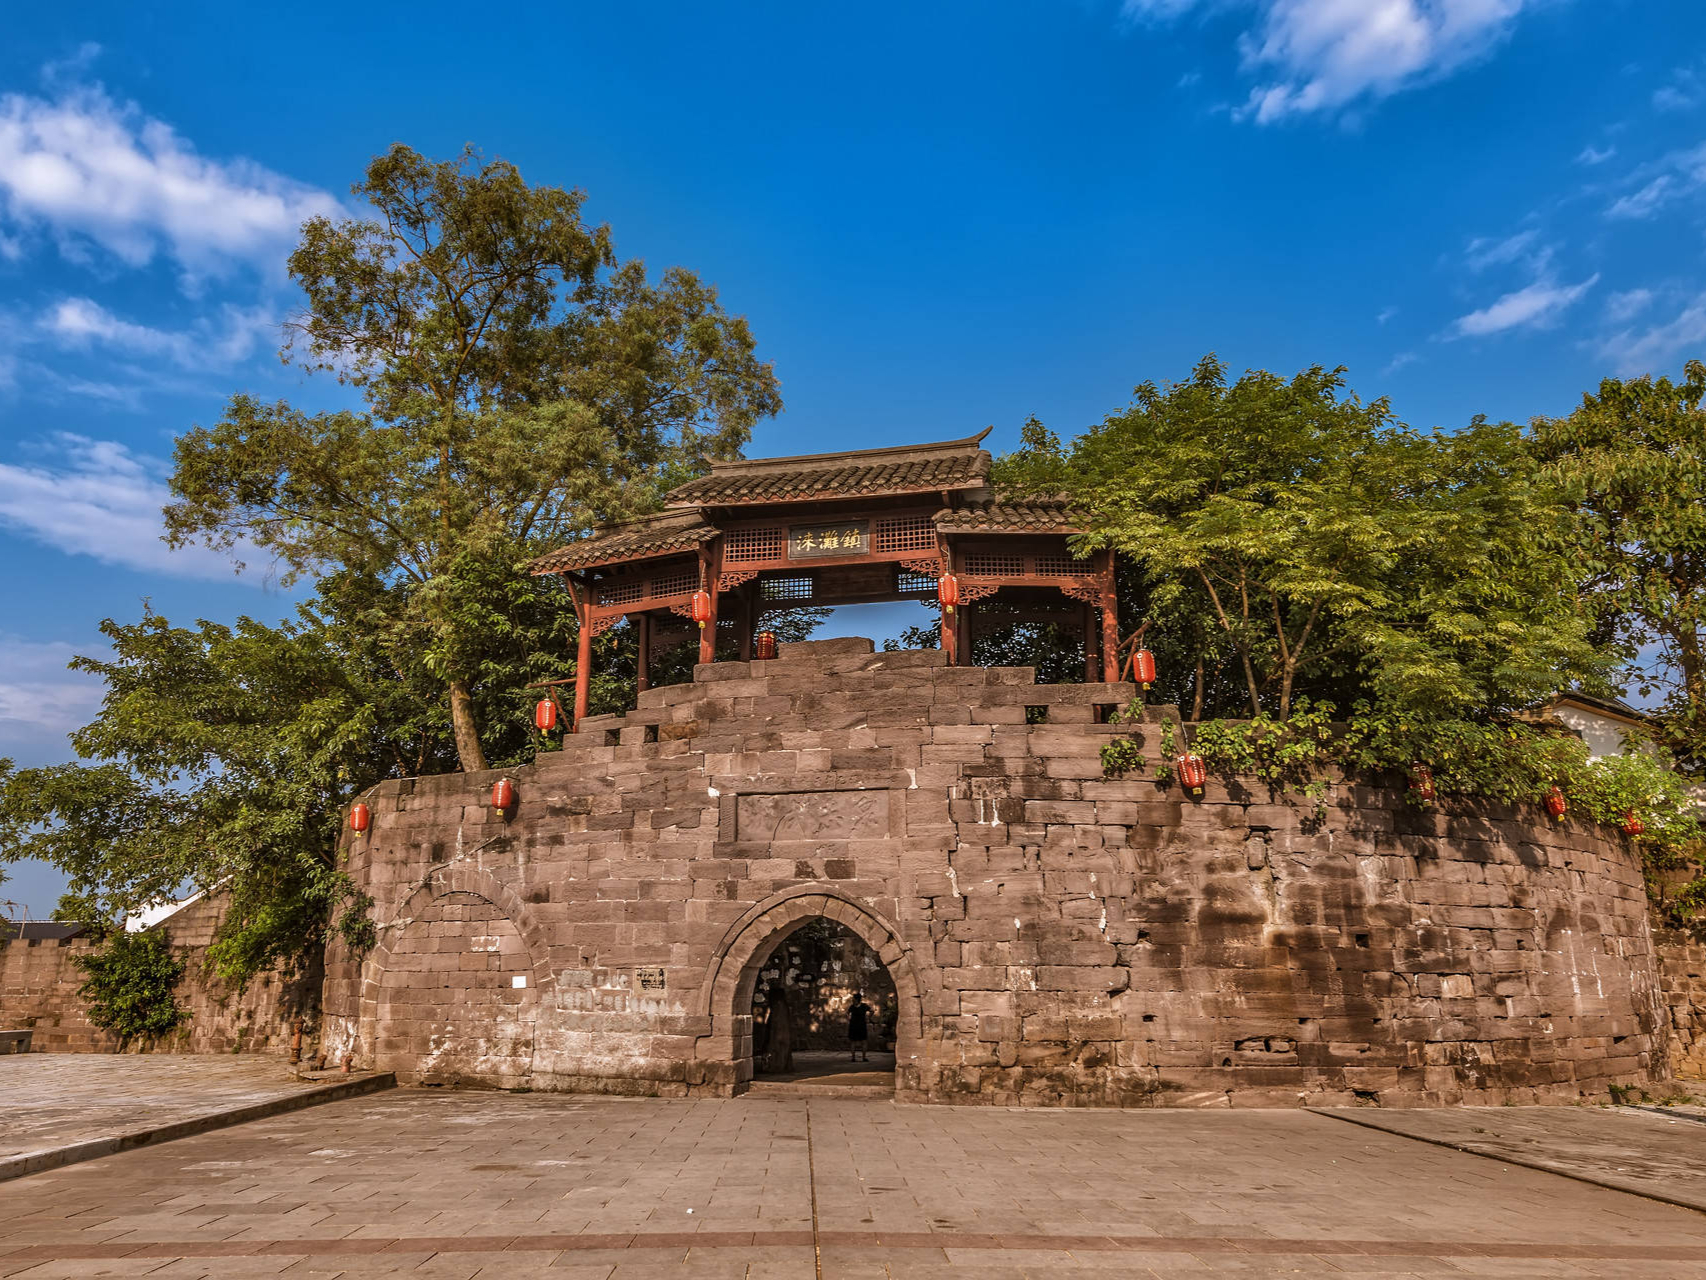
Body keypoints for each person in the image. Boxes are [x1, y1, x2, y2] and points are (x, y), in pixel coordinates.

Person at [847, 990, 871, 1062]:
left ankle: (863, 1057)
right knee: (853, 1042)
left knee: (863, 1041)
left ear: (857, 1000)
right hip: (855, 1025)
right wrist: (849, 1018)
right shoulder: (854, 1006)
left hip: (860, 1025)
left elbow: (871, 1011)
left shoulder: (863, 1006)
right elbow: (847, 1013)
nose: (853, 1001)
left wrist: (868, 1018)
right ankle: (853, 1057)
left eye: (853, 999)